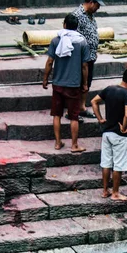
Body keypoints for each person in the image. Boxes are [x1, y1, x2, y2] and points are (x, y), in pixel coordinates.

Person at [43, 14, 90, 153]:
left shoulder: (56, 40)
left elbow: (50, 62)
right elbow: (85, 66)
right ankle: (74, 145)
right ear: (77, 27)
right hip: (73, 85)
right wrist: (85, 83)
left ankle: (58, 143)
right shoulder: (82, 42)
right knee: (74, 116)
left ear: (64, 24)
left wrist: (45, 78)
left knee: (56, 114)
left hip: (58, 83)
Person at [91, 68, 127, 201]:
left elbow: (94, 101)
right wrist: (124, 127)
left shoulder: (109, 89)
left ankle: (105, 190)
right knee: (118, 164)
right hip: (119, 135)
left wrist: (100, 119)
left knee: (106, 163)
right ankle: (116, 193)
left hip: (107, 132)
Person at [72, 0, 104, 118]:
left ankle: (81, 107)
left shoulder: (90, 15)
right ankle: (73, 110)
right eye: (97, 5)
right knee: (79, 83)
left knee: (87, 83)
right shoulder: (77, 15)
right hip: (80, 57)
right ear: (91, 2)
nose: (98, 8)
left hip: (90, 56)